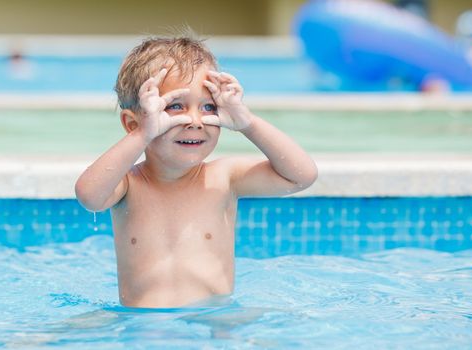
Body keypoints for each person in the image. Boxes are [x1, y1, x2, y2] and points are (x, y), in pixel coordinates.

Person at [74, 35, 318, 308]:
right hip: (145, 328)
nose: (194, 120)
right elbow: (89, 195)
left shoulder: (225, 178)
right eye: (175, 106)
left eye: (208, 106)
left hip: (214, 322)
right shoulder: (128, 185)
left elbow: (301, 175)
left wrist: (247, 123)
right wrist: (144, 134)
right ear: (132, 124)